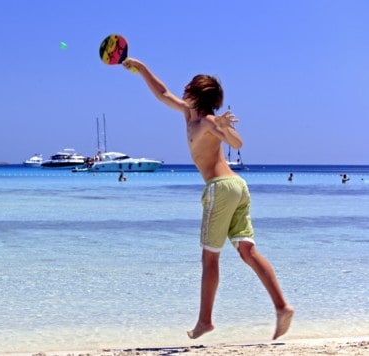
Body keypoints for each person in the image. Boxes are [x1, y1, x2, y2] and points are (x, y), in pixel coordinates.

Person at [122, 57, 294, 340]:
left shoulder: (207, 120)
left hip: (221, 188)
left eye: (188, 85)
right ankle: (282, 306)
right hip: (237, 187)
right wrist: (139, 67)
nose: (183, 87)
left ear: (196, 93)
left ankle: (205, 321)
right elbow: (162, 92)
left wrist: (223, 127)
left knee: (209, 258)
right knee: (247, 252)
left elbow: (238, 144)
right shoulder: (188, 114)